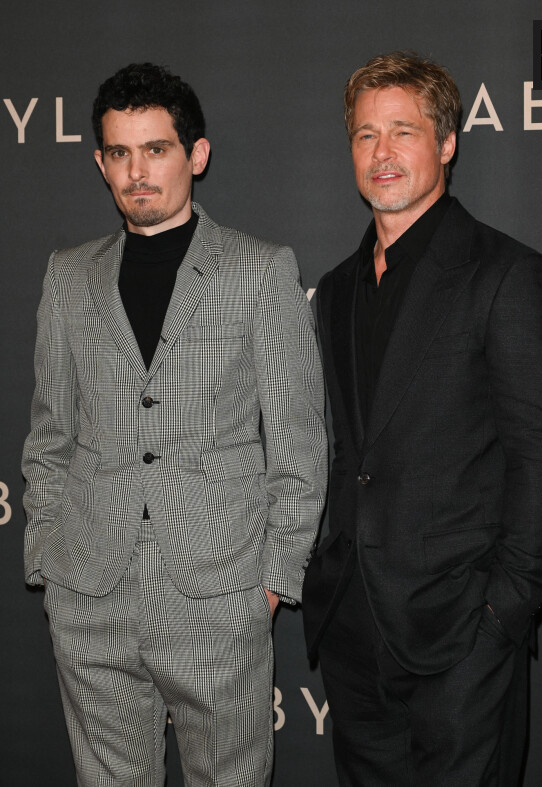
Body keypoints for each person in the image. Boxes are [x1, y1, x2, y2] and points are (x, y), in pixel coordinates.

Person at [22, 62, 327, 786]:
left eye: (156, 149)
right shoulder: (69, 276)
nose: (137, 172)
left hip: (219, 595)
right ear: (100, 162)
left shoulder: (259, 271)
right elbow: (49, 436)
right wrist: (47, 554)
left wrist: (272, 581)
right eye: (120, 154)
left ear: (197, 154)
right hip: (90, 590)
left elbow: (297, 439)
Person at [302, 51, 542, 786]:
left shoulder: (507, 275)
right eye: (365, 136)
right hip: (354, 636)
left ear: (448, 143)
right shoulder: (334, 290)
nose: (382, 153)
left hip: (463, 635)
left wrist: (502, 615)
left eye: (402, 131)